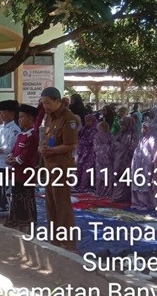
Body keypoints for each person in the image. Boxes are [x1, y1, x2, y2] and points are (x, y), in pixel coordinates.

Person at [39, 87, 80, 250]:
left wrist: (53, 150)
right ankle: (54, 239)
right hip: (49, 166)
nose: (45, 106)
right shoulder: (48, 117)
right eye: (43, 103)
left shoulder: (68, 119)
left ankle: (67, 242)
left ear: (57, 101)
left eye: (48, 103)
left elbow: (71, 144)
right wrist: (42, 148)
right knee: (50, 204)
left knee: (62, 205)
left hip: (62, 167)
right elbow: (46, 138)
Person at [5, 103, 39, 230]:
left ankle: (27, 224)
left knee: (26, 199)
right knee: (15, 197)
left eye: (22, 117)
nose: (19, 120)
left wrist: (14, 160)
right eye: (19, 117)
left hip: (26, 174)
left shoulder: (32, 136)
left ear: (30, 119)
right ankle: (16, 220)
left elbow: (27, 154)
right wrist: (10, 156)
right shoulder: (21, 135)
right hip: (16, 172)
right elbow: (14, 150)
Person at [0, 100, 20, 219]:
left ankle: (4, 214)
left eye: (4, 113)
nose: (1, 116)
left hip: (6, 165)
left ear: (12, 114)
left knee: (5, 190)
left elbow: (9, 148)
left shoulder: (15, 129)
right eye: (0, 113)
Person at [130, 122, 157, 211]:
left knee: (145, 184)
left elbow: (154, 153)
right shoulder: (142, 139)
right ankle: (136, 202)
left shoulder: (152, 139)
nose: (143, 130)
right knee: (137, 182)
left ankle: (145, 204)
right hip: (138, 165)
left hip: (146, 165)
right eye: (143, 128)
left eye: (146, 128)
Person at [110, 116, 138, 204]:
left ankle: (123, 197)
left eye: (123, 125)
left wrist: (121, 146)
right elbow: (114, 144)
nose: (121, 127)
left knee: (125, 178)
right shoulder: (120, 134)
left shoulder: (133, 135)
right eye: (120, 125)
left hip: (127, 160)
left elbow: (133, 148)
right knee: (117, 176)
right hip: (118, 159)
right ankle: (117, 196)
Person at [75, 114, 98, 191]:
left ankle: (85, 185)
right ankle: (78, 183)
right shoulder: (84, 128)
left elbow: (90, 141)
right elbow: (78, 136)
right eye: (86, 121)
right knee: (80, 167)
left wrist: (81, 141)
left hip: (90, 152)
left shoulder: (95, 130)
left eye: (89, 121)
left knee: (87, 168)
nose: (87, 123)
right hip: (82, 151)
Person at [93, 121, 114, 197]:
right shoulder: (97, 136)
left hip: (109, 158)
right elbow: (96, 146)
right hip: (100, 158)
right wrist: (106, 147)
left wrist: (109, 148)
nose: (103, 128)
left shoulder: (110, 135)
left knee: (108, 175)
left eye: (104, 126)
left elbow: (113, 145)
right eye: (102, 126)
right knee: (100, 175)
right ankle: (100, 191)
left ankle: (108, 191)